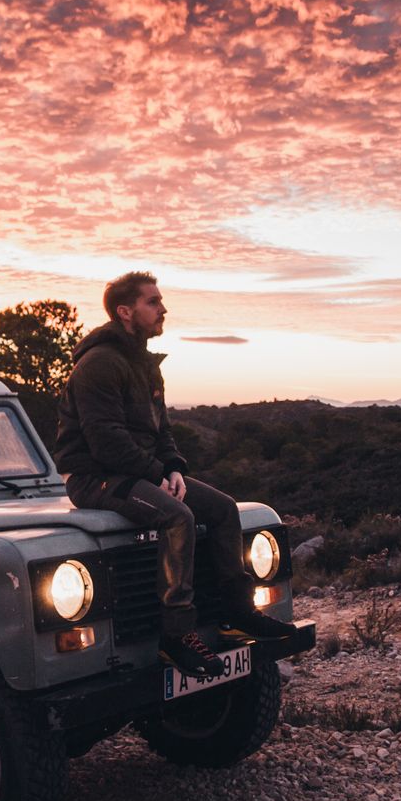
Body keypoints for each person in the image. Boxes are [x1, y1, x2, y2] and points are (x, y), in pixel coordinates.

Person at [53, 271, 294, 679]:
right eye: (153, 302)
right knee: (177, 516)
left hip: (139, 472)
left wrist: (174, 468)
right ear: (125, 311)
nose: (163, 309)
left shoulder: (145, 365)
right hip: (95, 478)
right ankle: (177, 635)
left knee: (223, 509)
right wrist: (156, 473)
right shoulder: (99, 363)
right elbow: (105, 441)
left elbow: (161, 431)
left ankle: (237, 614)